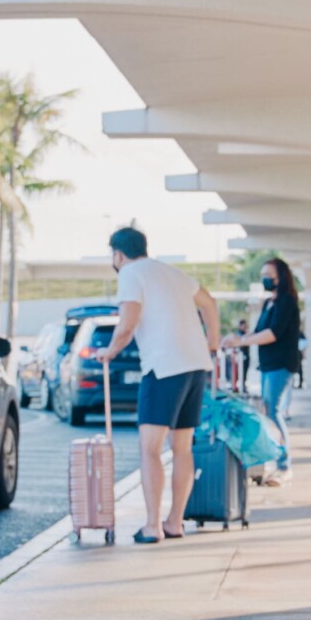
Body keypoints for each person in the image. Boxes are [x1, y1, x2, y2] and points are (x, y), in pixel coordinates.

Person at [95, 226, 219, 543]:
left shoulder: (130, 273)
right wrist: (212, 345)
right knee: (182, 447)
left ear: (118, 254)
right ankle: (174, 522)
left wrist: (109, 352)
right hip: (195, 365)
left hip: (164, 366)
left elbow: (128, 322)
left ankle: (152, 525)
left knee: (149, 448)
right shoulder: (172, 272)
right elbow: (210, 303)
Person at [221, 255, 301, 481]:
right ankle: (273, 460)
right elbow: (257, 331)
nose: (265, 279)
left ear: (281, 277)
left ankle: (284, 465)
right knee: (267, 409)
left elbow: (272, 334)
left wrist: (243, 342)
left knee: (273, 410)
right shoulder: (269, 303)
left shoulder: (286, 302)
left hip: (281, 364)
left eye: (269, 276)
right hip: (267, 364)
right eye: (263, 276)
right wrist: (236, 339)